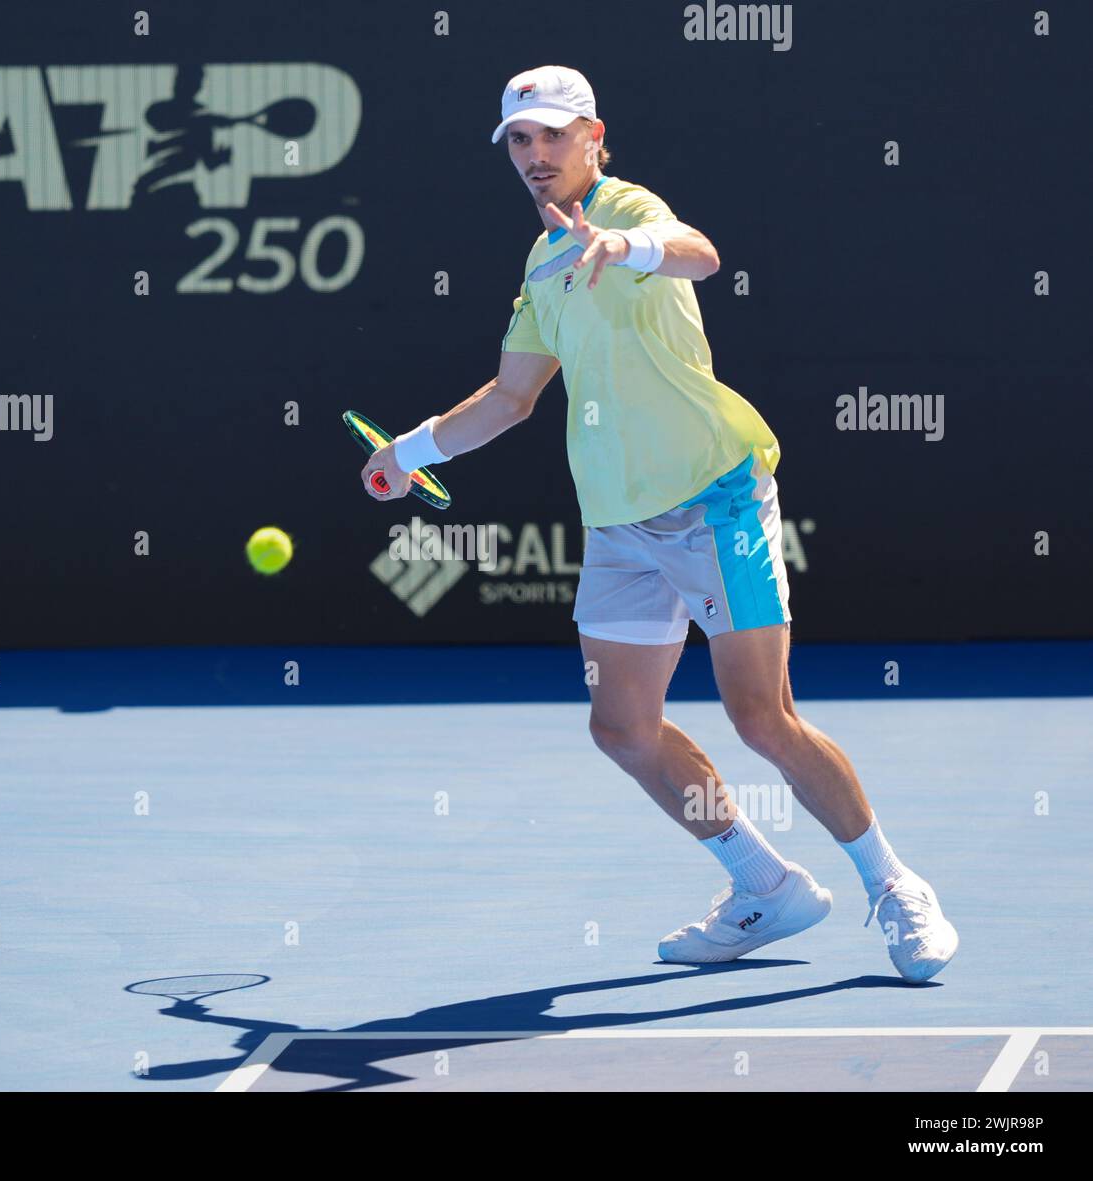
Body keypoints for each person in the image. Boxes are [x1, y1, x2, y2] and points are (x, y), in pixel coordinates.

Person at [359, 65, 958, 981]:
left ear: (595, 136)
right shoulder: (540, 264)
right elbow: (512, 398)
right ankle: (766, 884)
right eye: (520, 139)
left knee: (763, 717)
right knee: (623, 725)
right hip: (618, 526)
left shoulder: (629, 208)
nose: (535, 154)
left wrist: (629, 250)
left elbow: (699, 253)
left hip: (717, 499)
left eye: (553, 134)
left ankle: (895, 884)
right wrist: (407, 452)